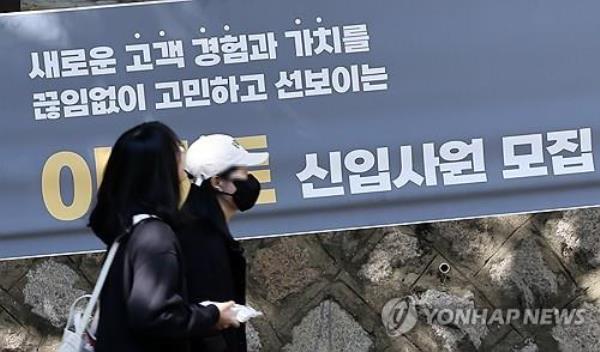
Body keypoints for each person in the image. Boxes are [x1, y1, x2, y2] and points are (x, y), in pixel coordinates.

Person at [88, 122, 239, 352]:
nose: (182, 155)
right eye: (177, 149)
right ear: (161, 168)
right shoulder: (154, 237)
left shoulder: (127, 231)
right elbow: (156, 314)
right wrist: (212, 315)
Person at [179, 134, 268, 352]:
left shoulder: (205, 228)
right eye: (243, 172)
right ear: (218, 182)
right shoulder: (198, 237)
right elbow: (203, 318)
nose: (250, 179)